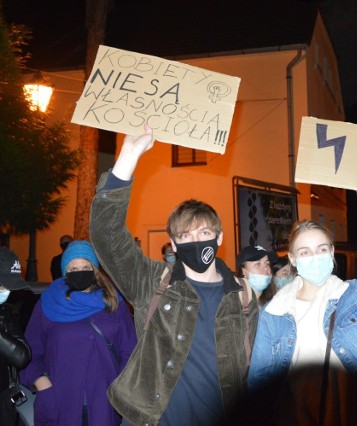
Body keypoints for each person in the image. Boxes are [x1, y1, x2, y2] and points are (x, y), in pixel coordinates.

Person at [89, 125, 258, 426]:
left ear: (219, 238)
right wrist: (128, 156)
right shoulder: (152, 282)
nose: (196, 241)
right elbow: (106, 235)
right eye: (185, 235)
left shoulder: (244, 295)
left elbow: (254, 368)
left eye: (204, 232)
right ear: (174, 243)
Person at [247, 174, 357, 425]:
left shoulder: (353, 296)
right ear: (293, 259)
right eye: (305, 252)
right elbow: (259, 380)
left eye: (322, 249)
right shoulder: (273, 312)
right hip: (296, 414)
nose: (315, 257)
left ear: (332, 253)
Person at [20, 241, 136, 426]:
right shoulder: (48, 303)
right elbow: (28, 352)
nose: (79, 272)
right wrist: (40, 382)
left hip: (103, 403)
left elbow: (130, 351)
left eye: (86, 267)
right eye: (73, 268)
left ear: (95, 269)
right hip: (59, 403)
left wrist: (117, 387)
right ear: (65, 271)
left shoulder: (115, 303)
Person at [0, 248, 32, 426]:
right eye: (2, 285)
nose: (6, 291)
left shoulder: (6, 313)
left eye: (9, 287)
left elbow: (22, 356)